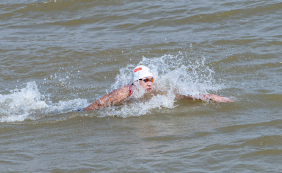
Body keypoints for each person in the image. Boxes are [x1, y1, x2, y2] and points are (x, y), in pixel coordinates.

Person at [84, 65, 234, 111]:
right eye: (145, 80)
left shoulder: (154, 88)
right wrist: (83, 114)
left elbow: (182, 95)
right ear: (136, 81)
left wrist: (212, 97)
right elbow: (99, 104)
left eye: (151, 79)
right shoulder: (124, 92)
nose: (150, 83)